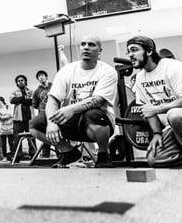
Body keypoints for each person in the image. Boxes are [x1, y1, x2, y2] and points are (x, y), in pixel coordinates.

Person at [29, 34, 118, 168]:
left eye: (91, 45)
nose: (86, 47)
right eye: (83, 44)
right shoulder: (67, 71)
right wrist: (51, 123)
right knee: (36, 124)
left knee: (93, 114)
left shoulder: (108, 71)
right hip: (72, 121)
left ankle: (103, 155)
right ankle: (69, 152)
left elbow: (98, 100)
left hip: (97, 122)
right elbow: (52, 100)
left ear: (99, 51)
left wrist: (71, 109)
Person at [127, 35, 182, 169]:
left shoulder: (173, 67)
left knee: (174, 114)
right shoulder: (140, 78)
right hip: (174, 128)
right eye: (128, 52)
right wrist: (157, 133)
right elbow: (147, 110)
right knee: (155, 159)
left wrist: (159, 109)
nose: (130, 55)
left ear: (149, 51)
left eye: (134, 50)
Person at [10, 74, 35, 158]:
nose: (20, 82)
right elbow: (12, 100)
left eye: (22, 80)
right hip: (18, 119)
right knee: (17, 138)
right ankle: (17, 155)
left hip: (30, 118)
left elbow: (32, 102)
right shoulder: (14, 92)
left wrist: (20, 100)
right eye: (18, 81)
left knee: (32, 137)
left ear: (25, 82)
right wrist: (24, 98)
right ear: (17, 83)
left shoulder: (31, 91)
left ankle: (33, 154)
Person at [32, 70, 52, 158]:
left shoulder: (54, 86)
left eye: (42, 75)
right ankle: (45, 155)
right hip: (43, 114)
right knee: (45, 133)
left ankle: (62, 153)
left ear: (46, 77)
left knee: (57, 133)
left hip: (54, 113)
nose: (41, 77)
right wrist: (42, 108)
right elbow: (34, 105)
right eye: (39, 76)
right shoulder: (37, 91)